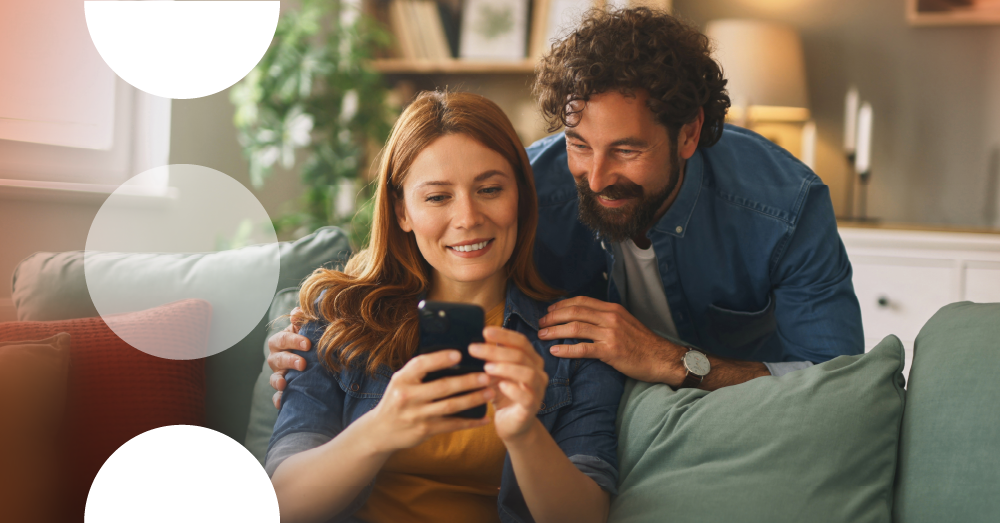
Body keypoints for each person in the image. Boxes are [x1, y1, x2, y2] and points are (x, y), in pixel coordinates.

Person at [267, 7, 862, 402]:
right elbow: (420, 253)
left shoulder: (783, 206)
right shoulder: (530, 183)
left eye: (626, 150)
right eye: (580, 144)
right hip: (581, 416)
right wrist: (317, 334)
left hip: (734, 414)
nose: (596, 175)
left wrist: (672, 360)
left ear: (687, 134)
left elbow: (839, 383)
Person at [265, 91, 624, 523]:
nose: (468, 217)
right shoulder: (337, 319)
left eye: (490, 189)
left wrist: (524, 432)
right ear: (402, 211)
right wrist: (380, 428)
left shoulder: (574, 339)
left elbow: (585, 517)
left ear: (521, 198)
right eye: (437, 197)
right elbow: (283, 503)